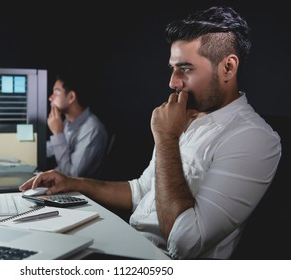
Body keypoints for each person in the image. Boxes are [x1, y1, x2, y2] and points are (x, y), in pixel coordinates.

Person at [20, 6, 281, 259]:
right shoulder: (183, 116)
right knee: (26, 242)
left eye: (186, 69)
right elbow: (141, 191)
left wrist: (166, 138)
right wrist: (73, 182)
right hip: (128, 242)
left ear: (228, 67)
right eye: (173, 68)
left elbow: (184, 243)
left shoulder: (253, 138)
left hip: (161, 261)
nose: (172, 82)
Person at [46, 71, 108, 178]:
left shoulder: (92, 129)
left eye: (56, 92)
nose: (50, 98)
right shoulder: (68, 123)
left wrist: (58, 134)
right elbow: (49, 150)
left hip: (79, 192)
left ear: (71, 97)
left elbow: (71, 175)